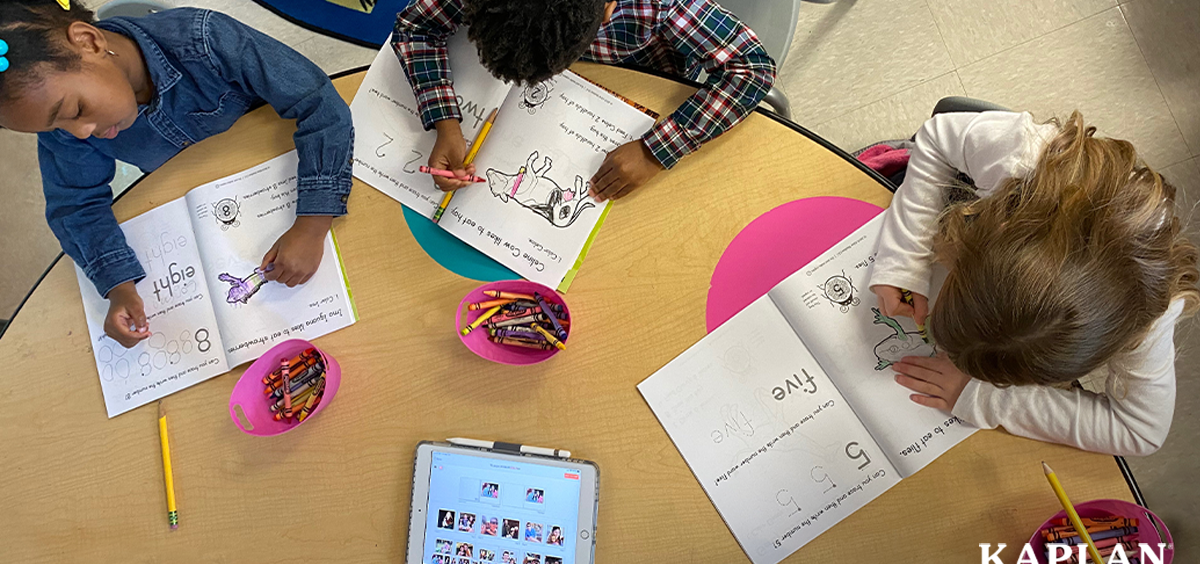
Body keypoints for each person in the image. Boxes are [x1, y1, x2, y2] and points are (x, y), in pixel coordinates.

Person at [0, 2, 353, 348]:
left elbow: (318, 103)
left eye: (75, 110)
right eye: (54, 127)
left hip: (285, 165)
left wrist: (313, 223)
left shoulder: (206, 40)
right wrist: (118, 286)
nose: (78, 134)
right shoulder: (64, 126)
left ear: (90, 42)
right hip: (211, 202)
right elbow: (76, 207)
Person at [869, 110, 1198, 457]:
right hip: (990, 177)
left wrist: (983, 397)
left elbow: (1141, 432)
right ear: (977, 242)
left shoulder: (1148, 318)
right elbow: (937, 137)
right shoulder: (1019, 156)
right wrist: (904, 261)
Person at [392, 0, 775, 201]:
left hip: (642, 88)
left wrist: (654, 151)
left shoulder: (655, 3)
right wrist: (445, 120)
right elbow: (415, 26)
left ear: (608, 8)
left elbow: (752, 68)